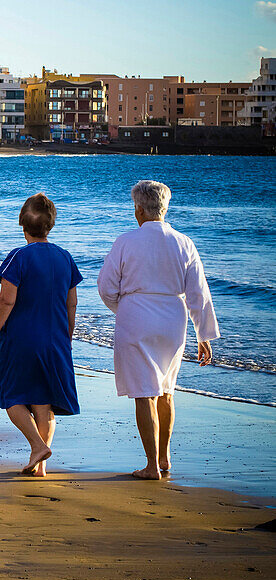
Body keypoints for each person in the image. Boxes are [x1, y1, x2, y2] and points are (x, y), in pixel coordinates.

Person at [97, 180, 219, 480]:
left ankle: (151, 465)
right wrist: (203, 334)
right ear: (164, 208)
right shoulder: (184, 242)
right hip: (172, 321)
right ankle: (164, 458)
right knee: (166, 391)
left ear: (139, 208)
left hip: (136, 318)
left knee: (144, 393)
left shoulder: (126, 241)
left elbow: (106, 287)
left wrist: (123, 309)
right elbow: (199, 294)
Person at [0, 193, 82, 477]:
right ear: (50, 225)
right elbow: (71, 303)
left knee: (10, 395)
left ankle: (37, 446)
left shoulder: (19, 256)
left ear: (22, 224)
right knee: (43, 401)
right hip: (56, 340)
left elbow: (6, 300)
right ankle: (40, 466)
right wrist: (68, 335)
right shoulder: (65, 257)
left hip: (22, 338)